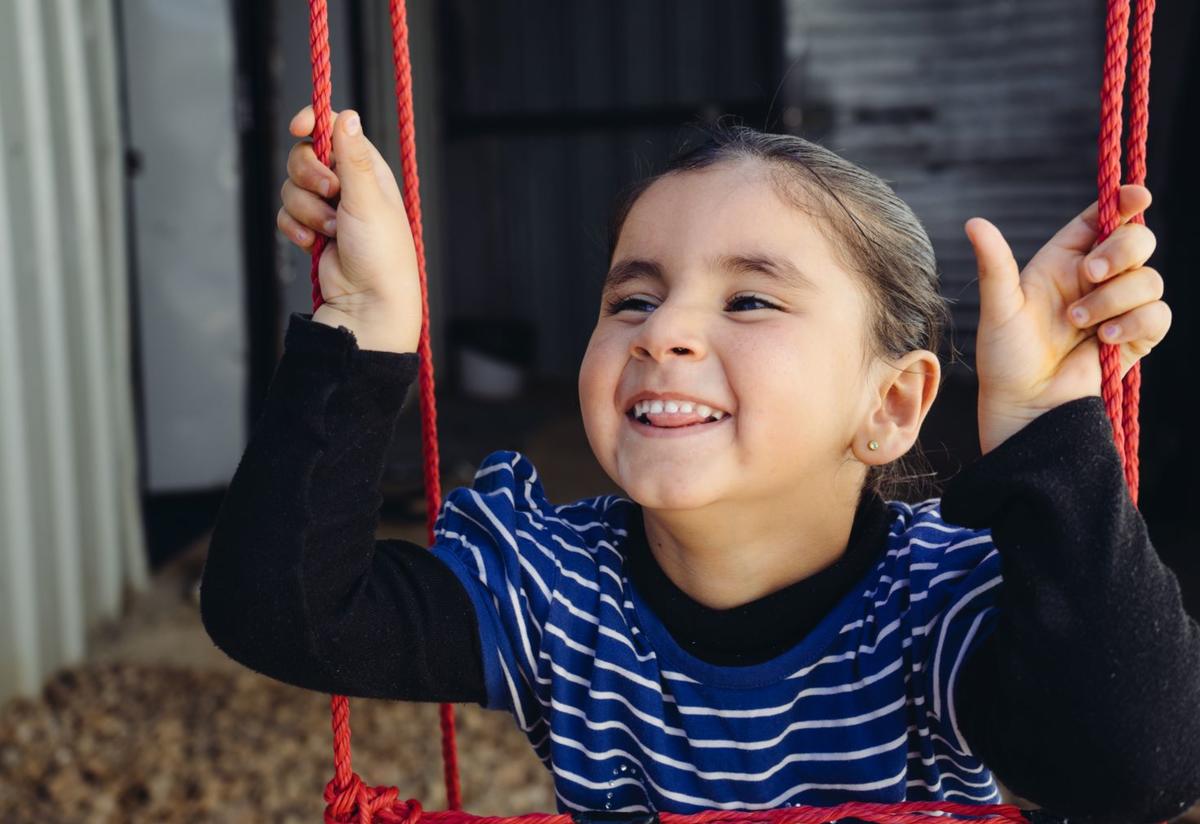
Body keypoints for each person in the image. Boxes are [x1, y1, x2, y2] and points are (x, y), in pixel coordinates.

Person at [199, 105, 1200, 823]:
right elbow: (282, 610)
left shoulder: (943, 608)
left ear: (890, 403)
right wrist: (366, 330)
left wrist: (1043, 424)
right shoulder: (556, 594)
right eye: (631, 298)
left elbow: (1135, 768)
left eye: (750, 300)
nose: (662, 329)